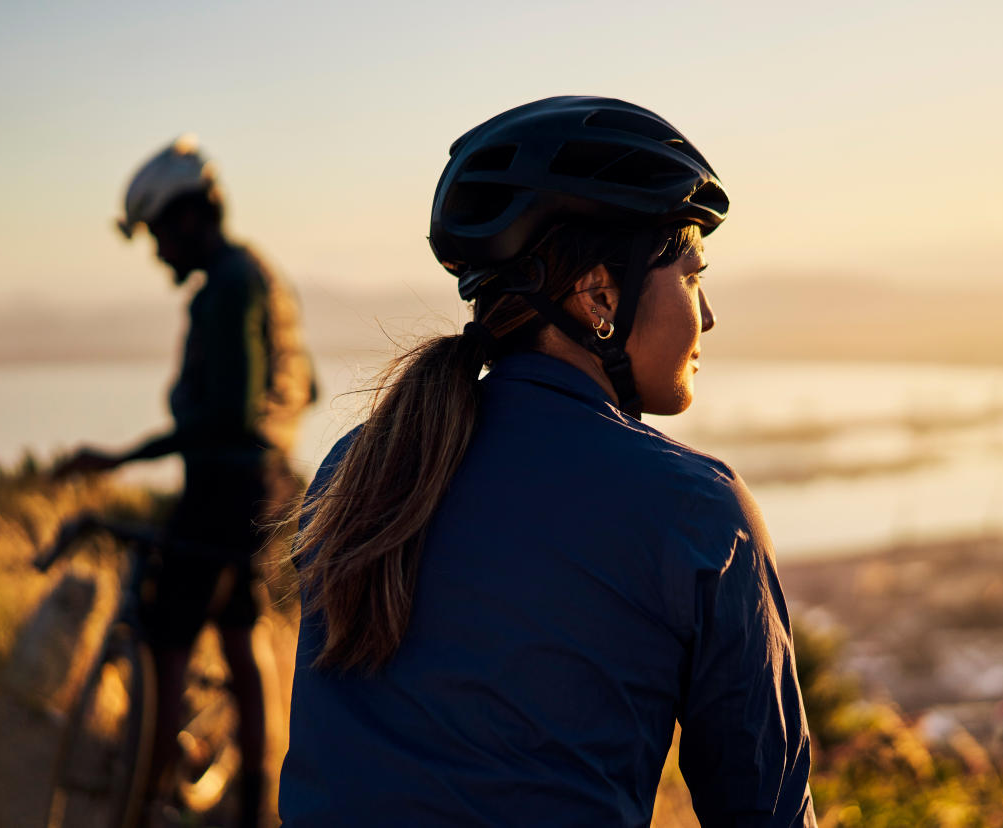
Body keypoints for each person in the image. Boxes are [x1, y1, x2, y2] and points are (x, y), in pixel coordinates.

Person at [280, 97, 815, 825]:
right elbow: (765, 812)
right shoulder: (693, 508)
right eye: (692, 275)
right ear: (600, 294)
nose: (708, 314)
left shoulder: (358, 469)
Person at [56, 134, 317, 828]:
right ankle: (258, 801)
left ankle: (144, 796)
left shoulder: (226, 289)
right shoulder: (253, 274)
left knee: (167, 642)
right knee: (239, 635)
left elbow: (226, 415)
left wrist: (121, 457)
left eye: (157, 234)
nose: (158, 252)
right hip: (261, 490)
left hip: (221, 493)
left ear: (187, 218)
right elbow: (297, 388)